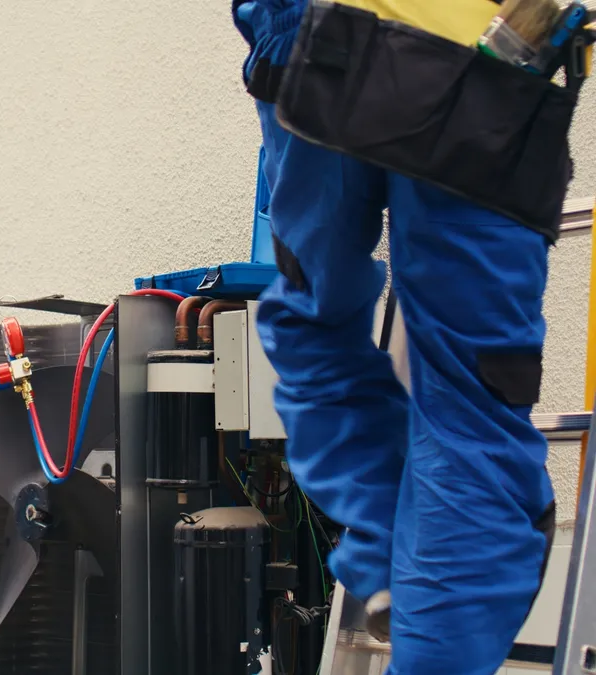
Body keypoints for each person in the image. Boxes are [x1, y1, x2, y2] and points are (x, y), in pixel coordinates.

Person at [231, 2, 561, 674]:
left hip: (313, 43)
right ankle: (427, 604)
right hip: (480, 60)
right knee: (470, 407)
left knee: (314, 329)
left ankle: (386, 550)